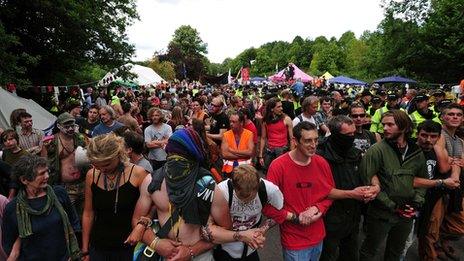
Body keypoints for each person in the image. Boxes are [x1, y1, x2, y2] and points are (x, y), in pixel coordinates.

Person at [126, 128, 231, 260]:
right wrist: (157, 244)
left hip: (200, 257)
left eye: (182, 156)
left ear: (193, 157)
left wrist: (192, 251)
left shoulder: (208, 187)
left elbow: (226, 230)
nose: (176, 160)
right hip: (163, 255)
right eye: (173, 154)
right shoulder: (152, 182)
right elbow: (137, 220)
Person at [359, 110, 428, 260]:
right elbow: (367, 179)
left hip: (407, 215)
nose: (384, 128)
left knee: (395, 252)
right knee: (369, 250)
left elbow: (422, 179)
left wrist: (417, 201)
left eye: (390, 125)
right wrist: (393, 206)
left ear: (403, 127)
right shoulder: (376, 150)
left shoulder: (416, 151)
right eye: (384, 125)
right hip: (381, 214)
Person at [263, 121, 334, 261]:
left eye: (316, 140)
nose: (313, 145)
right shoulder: (278, 166)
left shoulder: (322, 163)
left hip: (318, 237)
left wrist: (317, 208)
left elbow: (329, 195)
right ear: (295, 141)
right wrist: (294, 217)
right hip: (294, 241)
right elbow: (267, 206)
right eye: (308, 141)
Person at [317, 115, 380, 261]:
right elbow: (320, 190)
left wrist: (375, 186)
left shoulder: (355, 152)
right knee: (328, 255)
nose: (353, 137)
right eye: (348, 134)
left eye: (354, 133)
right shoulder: (320, 155)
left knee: (350, 254)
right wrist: (352, 194)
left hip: (352, 216)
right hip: (329, 217)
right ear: (335, 134)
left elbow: (369, 172)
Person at [2, 154, 81, 260]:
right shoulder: (13, 209)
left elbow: (74, 223)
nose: (47, 176)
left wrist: (73, 253)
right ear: (24, 180)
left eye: (47, 171)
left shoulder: (59, 194)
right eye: (42, 173)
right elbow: (9, 244)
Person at [82, 133, 147, 260]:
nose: (102, 169)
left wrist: (142, 224)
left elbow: (152, 208)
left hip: (128, 247)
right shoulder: (92, 175)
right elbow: (88, 213)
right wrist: (85, 249)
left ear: (118, 155)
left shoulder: (138, 174)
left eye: (106, 165)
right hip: (98, 247)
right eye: (97, 165)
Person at [405, 120, 458, 260]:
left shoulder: (436, 151)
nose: (428, 140)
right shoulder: (408, 150)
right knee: (405, 241)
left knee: (427, 232)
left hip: (430, 200)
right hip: (408, 201)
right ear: (417, 134)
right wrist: (441, 182)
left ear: (439, 137)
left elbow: (451, 165)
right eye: (424, 135)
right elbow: (409, 181)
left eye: (433, 136)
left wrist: (454, 175)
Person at [213, 164, 284, 260]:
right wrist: (241, 236)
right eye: (242, 196)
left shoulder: (270, 190)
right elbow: (209, 226)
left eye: (251, 196)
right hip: (224, 248)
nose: (247, 201)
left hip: (250, 250)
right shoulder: (221, 191)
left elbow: (279, 213)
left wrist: (263, 229)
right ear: (234, 186)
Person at [435, 103, 464, 259]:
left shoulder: (459, 141)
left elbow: (460, 162)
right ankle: (435, 248)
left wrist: (454, 162)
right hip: (438, 187)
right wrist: (454, 163)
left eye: (458, 115)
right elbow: (443, 166)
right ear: (442, 117)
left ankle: (442, 241)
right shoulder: (439, 136)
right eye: (451, 114)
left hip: (455, 187)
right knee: (434, 224)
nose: (455, 117)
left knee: (456, 224)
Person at [43, 112, 86, 213]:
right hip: (64, 187)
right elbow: (44, 164)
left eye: (72, 126)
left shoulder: (80, 138)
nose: (71, 129)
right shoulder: (51, 142)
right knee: (66, 214)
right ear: (58, 126)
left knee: (83, 212)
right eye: (67, 126)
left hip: (82, 183)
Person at [258, 97, 294, 174]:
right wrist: (260, 155)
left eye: (281, 106)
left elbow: (292, 139)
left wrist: (292, 154)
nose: (281, 108)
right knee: (269, 174)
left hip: (283, 152)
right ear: (271, 109)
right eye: (278, 107)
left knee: (283, 174)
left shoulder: (286, 119)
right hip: (269, 153)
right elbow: (263, 138)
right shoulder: (265, 121)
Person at [221, 111, 255, 177]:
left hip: (246, 170)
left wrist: (232, 151)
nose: (231, 124)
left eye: (234, 122)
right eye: (230, 121)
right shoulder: (226, 135)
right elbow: (225, 154)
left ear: (241, 123)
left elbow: (250, 152)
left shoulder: (249, 134)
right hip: (229, 170)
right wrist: (245, 155)